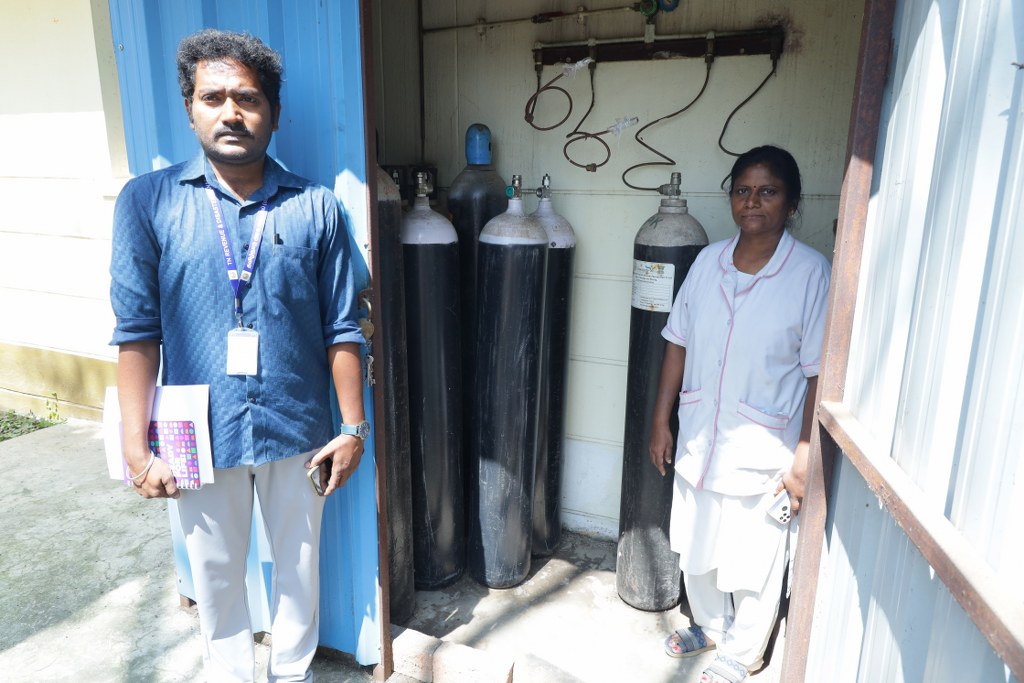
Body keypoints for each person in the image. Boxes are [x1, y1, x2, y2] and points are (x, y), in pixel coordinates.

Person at [109, 29, 368, 682]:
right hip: (198, 432)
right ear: (190, 109)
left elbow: (343, 327)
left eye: (248, 99)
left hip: (300, 430)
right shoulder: (149, 202)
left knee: (299, 572)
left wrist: (353, 428)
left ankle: (294, 673)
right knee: (216, 575)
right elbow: (137, 331)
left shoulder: (316, 207)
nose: (231, 112)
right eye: (213, 97)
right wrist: (137, 447)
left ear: (273, 113)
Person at [649, 146, 830, 683]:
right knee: (696, 538)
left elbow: (818, 374)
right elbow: (677, 342)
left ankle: (745, 650)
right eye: (743, 190)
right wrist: (660, 421)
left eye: (768, 191)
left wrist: (804, 456)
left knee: (755, 554)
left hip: (765, 444)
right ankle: (709, 624)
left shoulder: (810, 273)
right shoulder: (708, 262)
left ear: (791, 202)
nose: (753, 201)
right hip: (700, 434)